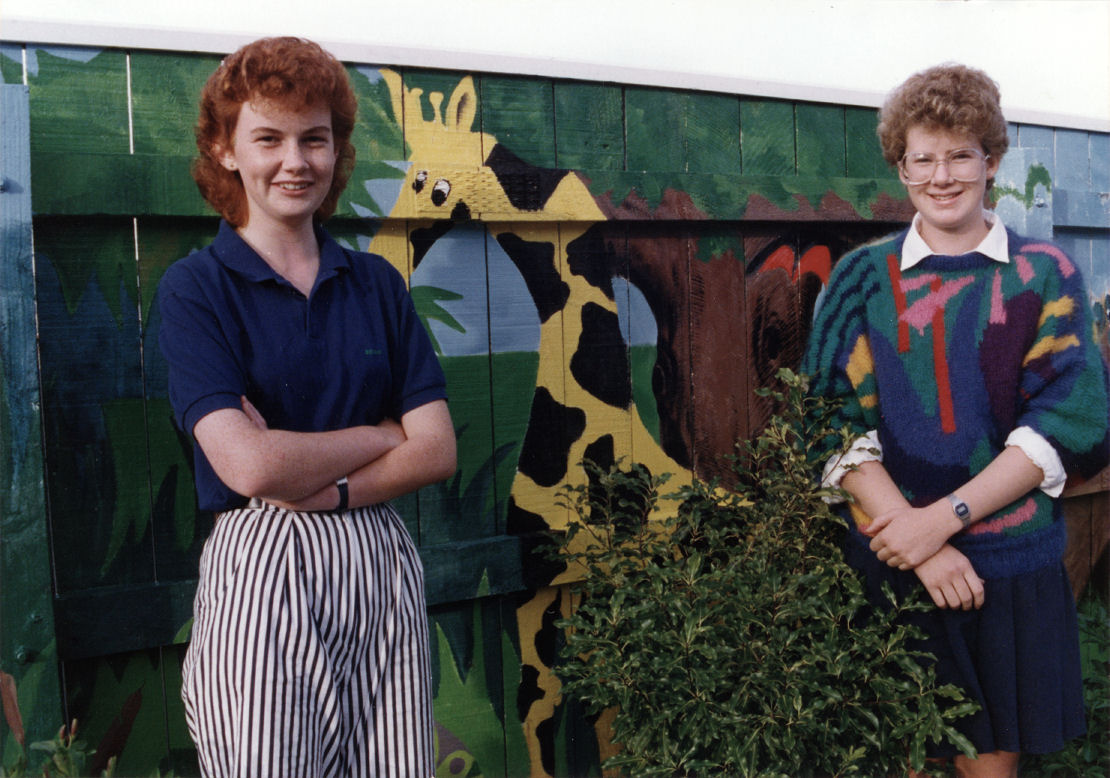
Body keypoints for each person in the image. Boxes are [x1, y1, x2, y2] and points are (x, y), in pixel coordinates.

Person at [157, 37, 456, 778]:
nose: (296, 161)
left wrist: (333, 484)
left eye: (314, 138)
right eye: (269, 138)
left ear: (336, 149)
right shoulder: (197, 290)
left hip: (378, 560)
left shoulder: (376, 284)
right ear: (226, 151)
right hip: (265, 562)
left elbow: (438, 449)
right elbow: (251, 466)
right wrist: (379, 434)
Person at [802, 63, 1109, 777]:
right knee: (903, 762)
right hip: (893, 567)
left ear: (991, 161)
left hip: (1008, 573)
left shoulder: (1043, 275)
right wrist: (920, 546)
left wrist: (943, 520)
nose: (943, 175)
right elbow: (827, 421)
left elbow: (1069, 421)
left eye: (961, 154)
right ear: (901, 169)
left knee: (990, 772)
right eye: (923, 158)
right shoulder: (862, 280)